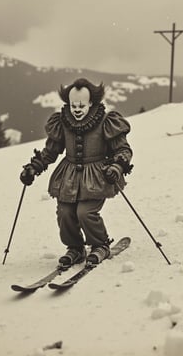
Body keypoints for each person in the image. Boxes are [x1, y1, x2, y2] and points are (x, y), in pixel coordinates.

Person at [20, 78, 133, 266]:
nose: (77, 109)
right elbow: (51, 151)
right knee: (65, 213)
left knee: (85, 212)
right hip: (69, 177)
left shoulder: (105, 121)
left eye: (81, 105)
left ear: (91, 102)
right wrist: (34, 167)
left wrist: (117, 166)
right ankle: (75, 248)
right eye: (73, 105)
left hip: (97, 176)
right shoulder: (63, 122)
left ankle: (100, 245)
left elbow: (123, 150)